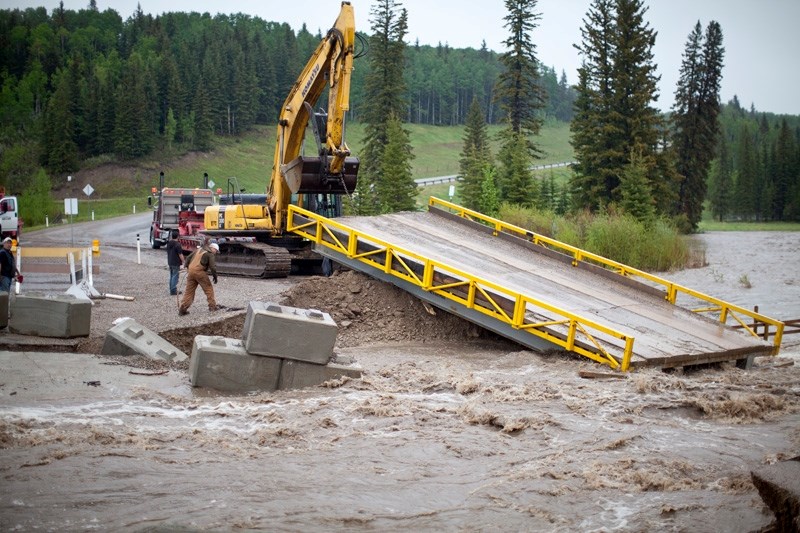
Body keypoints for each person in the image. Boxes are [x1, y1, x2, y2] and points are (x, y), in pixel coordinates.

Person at [178, 242, 219, 315]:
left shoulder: (198, 249)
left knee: (189, 291)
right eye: (216, 251)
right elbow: (213, 267)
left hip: (191, 272)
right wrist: (215, 277)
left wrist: (187, 267)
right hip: (200, 272)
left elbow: (188, 258)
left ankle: (183, 309)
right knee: (208, 289)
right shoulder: (210, 254)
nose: (216, 253)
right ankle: (212, 307)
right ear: (212, 248)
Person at [166, 229, 185, 296]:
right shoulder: (177, 244)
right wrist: (184, 262)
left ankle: (171, 289)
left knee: (171, 276)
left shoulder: (169, 243)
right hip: (176, 262)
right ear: (178, 236)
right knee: (175, 276)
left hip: (170, 262)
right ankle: (173, 290)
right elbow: (180, 254)